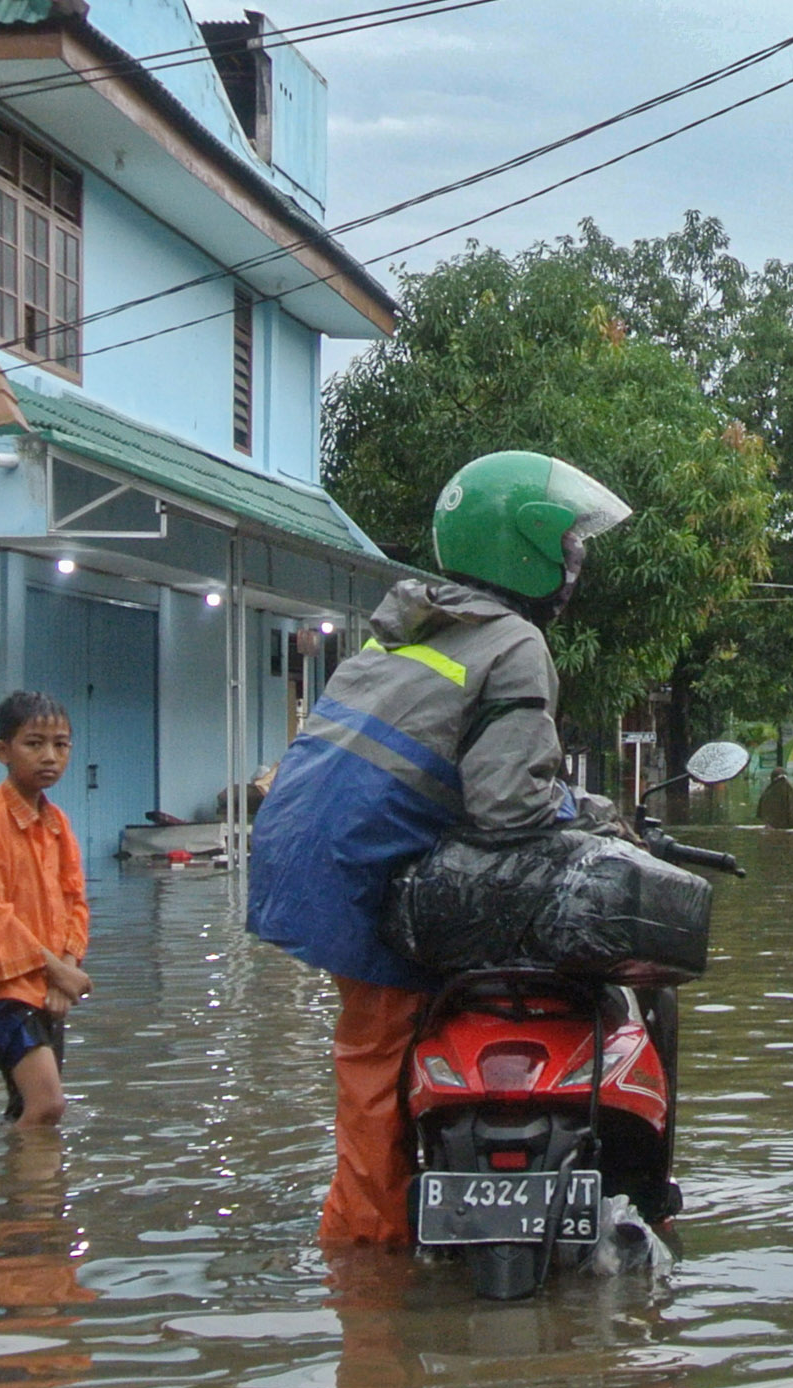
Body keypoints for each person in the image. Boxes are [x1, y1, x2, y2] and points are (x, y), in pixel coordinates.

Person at [249, 450, 632, 1253]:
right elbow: (505, 804)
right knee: (374, 1084)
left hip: (319, 860)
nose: (573, 566)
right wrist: (585, 816)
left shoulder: (416, 626)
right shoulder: (513, 640)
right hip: (362, 874)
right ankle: (369, 1284)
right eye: (566, 547)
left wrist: (570, 800)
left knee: (374, 1068)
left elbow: (460, 771)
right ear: (523, 545)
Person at [0, 689, 91, 1125]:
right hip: (2, 989)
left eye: (61, 744)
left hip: (49, 986)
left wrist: (67, 969)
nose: (49, 756)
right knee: (48, 1103)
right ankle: (38, 1191)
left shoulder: (58, 823)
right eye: (34, 744)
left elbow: (75, 899)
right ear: (3, 751)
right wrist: (59, 970)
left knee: (27, 1106)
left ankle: (20, 1186)